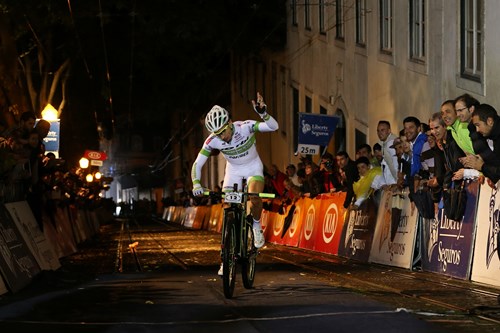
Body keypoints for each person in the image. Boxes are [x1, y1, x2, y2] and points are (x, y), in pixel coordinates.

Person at [191, 92, 278, 274]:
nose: (222, 137)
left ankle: (255, 226)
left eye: (223, 132)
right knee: (228, 207)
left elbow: (273, 127)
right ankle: (226, 257)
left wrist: (263, 114)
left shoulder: (245, 127)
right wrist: (196, 184)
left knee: (253, 196)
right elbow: (197, 163)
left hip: (253, 167)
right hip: (233, 171)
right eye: (218, 134)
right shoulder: (212, 140)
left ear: (230, 123)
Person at [461, 104, 500, 185]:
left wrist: (482, 166)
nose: (477, 130)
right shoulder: (494, 136)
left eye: (478, 125)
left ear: (490, 121)